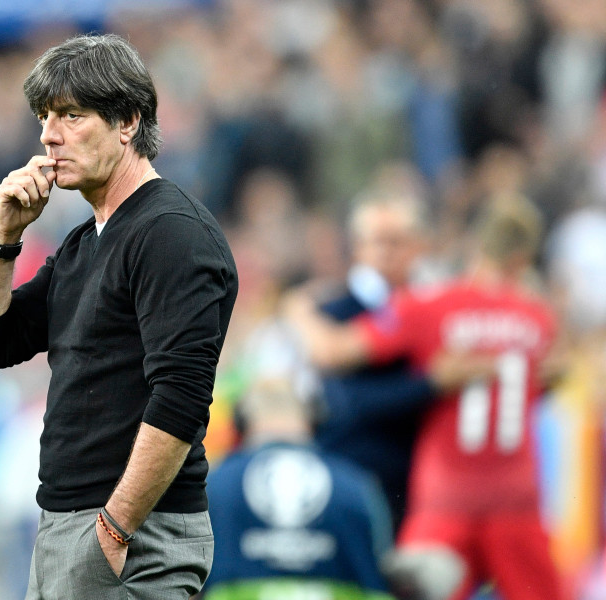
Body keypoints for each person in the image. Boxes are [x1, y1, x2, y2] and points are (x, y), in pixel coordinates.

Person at [0, 33, 238, 599]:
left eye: (71, 115)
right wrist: (4, 237)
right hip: (70, 527)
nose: (48, 134)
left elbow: (182, 397)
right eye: (44, 117)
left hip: (134, 533)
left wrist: (114, 528)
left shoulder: (171, 232)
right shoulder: (85, 241)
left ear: (128, 121)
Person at [286, 193, 562, 600]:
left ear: (473, 247)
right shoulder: (539, 317)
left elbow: (331, 351)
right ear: (524, 259)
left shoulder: (430, 307)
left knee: (412, 590)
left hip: (446, 495)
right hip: (515, 494)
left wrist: (297, 311)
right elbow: (553, 371)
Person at [204, 374, 397, 600]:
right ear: (314, 419)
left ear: (241, 423)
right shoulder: (357, 486)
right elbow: (380, 571)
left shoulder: (214, 484)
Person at [313, 189, 437, 531]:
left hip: (414, 484)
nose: (386, 251)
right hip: (351, 474)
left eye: (397, 241)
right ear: (357, 247)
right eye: (376, 241)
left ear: (419, 246)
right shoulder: (331, 313)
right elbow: (345, 401)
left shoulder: (432, 310)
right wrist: (432, 383)